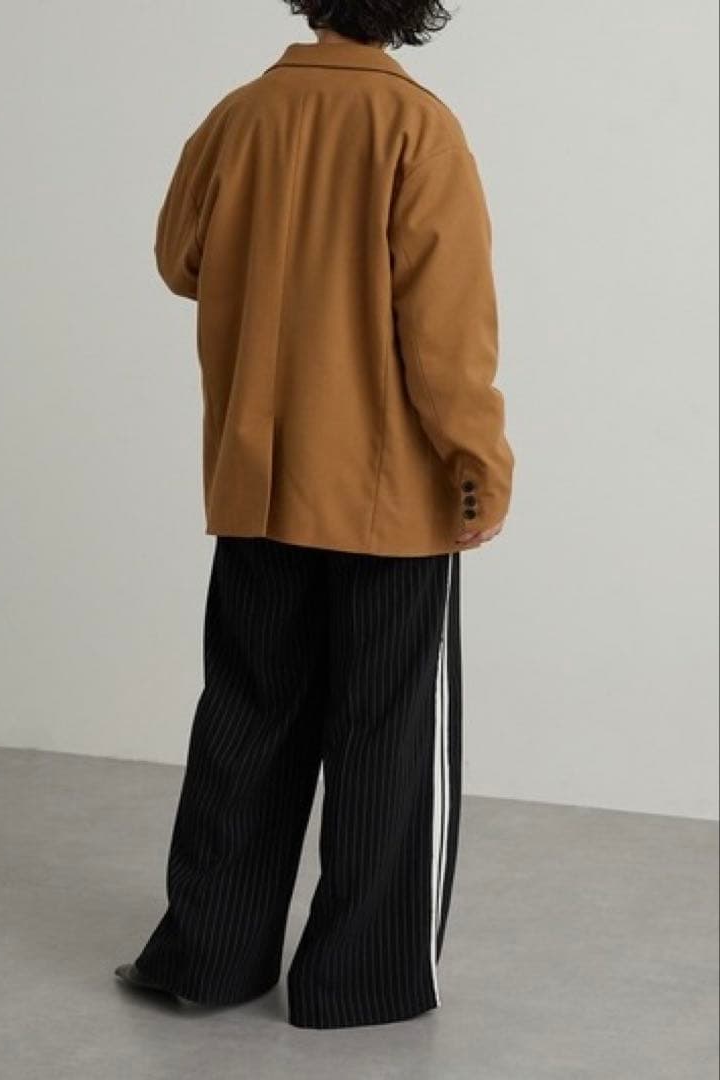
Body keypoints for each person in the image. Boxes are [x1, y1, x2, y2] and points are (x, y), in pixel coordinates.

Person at [115, 0, 515, 1030]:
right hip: (387, 498)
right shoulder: (417, 127)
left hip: (257, 479)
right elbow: (446, 333)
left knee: (247, 713)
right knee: (386, 734)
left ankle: (208, 956)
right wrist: (479, 466)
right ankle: (358, 981)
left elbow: (180, 260)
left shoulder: (239, 115)